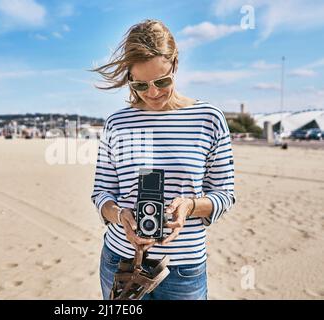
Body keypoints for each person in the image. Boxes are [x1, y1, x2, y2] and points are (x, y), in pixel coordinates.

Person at [90, 19, 236, 300]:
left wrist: (190, 206)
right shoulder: (117, 123)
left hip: (183, 270)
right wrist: (121, 216)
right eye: (140, 85)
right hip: (120, 261)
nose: (153, 93)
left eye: (162, 81)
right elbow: (102, 194)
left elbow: (225, 195)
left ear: (175, 65)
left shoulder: (209, 118)